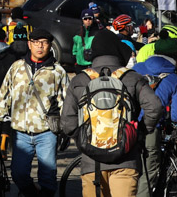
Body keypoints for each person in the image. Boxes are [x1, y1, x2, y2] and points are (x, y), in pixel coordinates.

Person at [60, 29, 163, 197]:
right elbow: (154, 106)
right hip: (126, 159)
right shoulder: (132, 77)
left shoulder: (80, 80)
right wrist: (139, 132)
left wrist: (83, 139)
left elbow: (66, 122)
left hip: (91, 163)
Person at [0, 29, 69, 197]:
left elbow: (66, 101)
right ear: (29, 44)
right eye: (36, 42)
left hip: (47, 132)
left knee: (48, 176)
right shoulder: (17, 67)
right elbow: (5, 93)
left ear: (50, 46)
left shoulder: (58, 71)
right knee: (18, 174)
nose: (40, 46)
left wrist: (66, 128)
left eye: (44, 42)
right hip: (21, 132)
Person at [131, 36, 177, 197]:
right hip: (151, 127)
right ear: (176, 58)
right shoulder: (174, 79)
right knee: (150, 169)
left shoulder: (136, 69)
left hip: (129, 126)